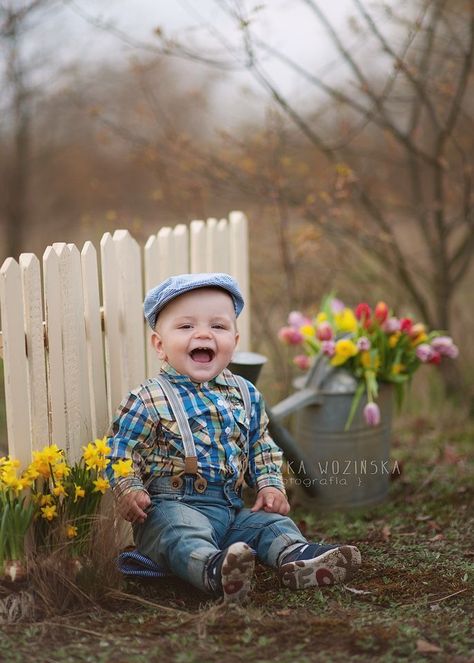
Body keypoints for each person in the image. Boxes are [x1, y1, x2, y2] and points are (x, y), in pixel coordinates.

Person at [105, 273, 361, 603]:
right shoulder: (148, 398)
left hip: (230, 510)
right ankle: (214, 570)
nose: (202, 334)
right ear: (160, 345)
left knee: (270, 524)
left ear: (235, 341)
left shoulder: (245, 393)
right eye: (185, 327)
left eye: (218, 326)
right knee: (181, 532)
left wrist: (270, 484)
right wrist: (130, 488)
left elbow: (260, 443)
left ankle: (298, 558)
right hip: (172, 507)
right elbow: (120, 448)